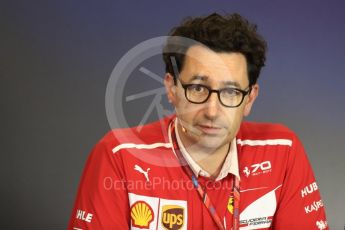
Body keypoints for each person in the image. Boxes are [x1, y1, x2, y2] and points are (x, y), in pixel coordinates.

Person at [68, 13, 328, 230]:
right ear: (172, 89)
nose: (212, 111)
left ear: (249, 99)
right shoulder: (120, 155)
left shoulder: (283, 151)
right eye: (198, 88)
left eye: (230, 92)